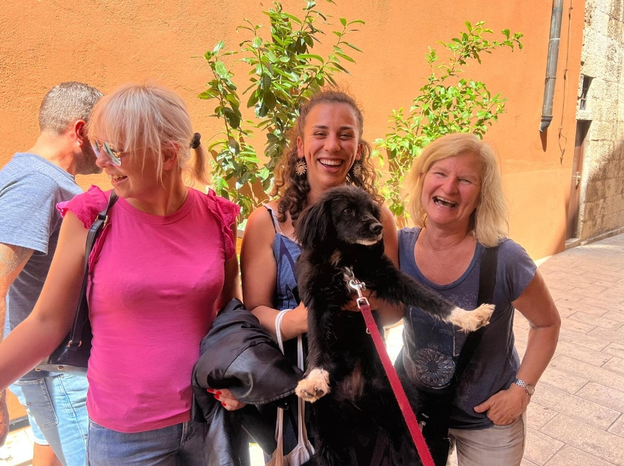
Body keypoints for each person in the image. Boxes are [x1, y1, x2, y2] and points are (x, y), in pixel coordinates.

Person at [0, 82, 240, 465]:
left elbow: (229, 317)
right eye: (99, 147)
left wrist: (240, 377)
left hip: (210, 422)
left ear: (167, 155)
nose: (101, 162)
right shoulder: (89, 217)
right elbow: (46, 323)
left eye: (114, 150)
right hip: (125, 437)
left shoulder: (217, 217)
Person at [238, 89, 401, 464]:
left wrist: (369, 299)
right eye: (320, 133)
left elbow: (395, 312)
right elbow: (254, 313)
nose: (332, 146)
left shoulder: (379, 220)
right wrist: (297, 320)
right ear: (300, 145)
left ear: (357, 149)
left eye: (345, 135)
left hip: (361, 396)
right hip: (294, 400)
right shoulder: (267, 223)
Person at [398, 132, 561, 466]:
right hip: (418, 412)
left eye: (465, 180)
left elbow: (547, 324)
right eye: (440, 173)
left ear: (482, 194)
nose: (449, 187)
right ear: (423, 178)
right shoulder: (398, 246)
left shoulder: (505, 258)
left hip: (488, 422)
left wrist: (521, 390)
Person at [0, 81, 102, 466]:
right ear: (80, 131)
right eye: (103, 133)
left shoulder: (38, 177)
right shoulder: (38, 184)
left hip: (51, 368)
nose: (109, 146)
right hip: (58, 369)